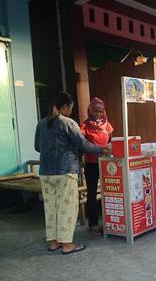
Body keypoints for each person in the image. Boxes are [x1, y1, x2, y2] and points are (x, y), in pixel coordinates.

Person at [34, 92, 110, 254]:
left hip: (46, 172)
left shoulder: (41, 123)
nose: (71, 111)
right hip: (65, 171)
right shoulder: (68, 123)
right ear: (65, 106)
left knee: (51, 208)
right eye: (70, 107)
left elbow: (37, 147)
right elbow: (83, 144)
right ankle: (67, 244)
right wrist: (102, 149)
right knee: (67, 208)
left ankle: (54, 242)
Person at [80, 98, 113, 235]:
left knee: (109, 192)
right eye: (96, 111)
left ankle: (111, 222)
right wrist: (99, 149)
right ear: (90, 111)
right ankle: (93, 224)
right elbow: (82, 144)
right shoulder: (84, 126)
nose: (98, 114)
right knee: (92, 194)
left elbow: (111, 141)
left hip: (106, 164)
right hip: (91, 164)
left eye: (101, 111)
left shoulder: (107, 125)